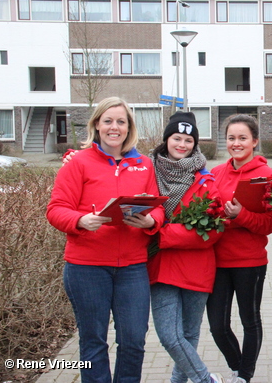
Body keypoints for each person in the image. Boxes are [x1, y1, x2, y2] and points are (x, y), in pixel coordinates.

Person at [46, 97, 165, 383]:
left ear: (129, 127)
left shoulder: (144, 164)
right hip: (87, 267)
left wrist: (151, 221)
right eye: (108, 121)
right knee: (93, 342)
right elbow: (56, 209)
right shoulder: (79, 163)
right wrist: (79, 221)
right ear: (97, 125)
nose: (115, 127)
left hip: (133, 267)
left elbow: (158, 207)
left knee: (134, 341)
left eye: (121, 122)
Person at [147, 111, 226, 383]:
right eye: (176, 138)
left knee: (189, 335)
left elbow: (213, 230)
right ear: (166, 139)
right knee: (170, 336)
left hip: (196, 268)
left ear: (195, 144)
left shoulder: (206, 179)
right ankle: (206, 380)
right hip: (161, 268)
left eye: (188, 140)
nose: (182, 144)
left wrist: (163, 235)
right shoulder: (147, 172)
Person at [207, 114, 272, 383]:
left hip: (249, 262)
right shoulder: (215, 173)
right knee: (217, 326)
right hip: (216, 261)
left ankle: (244, 376)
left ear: (254, 141)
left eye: (242, 138)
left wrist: (241, 217)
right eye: (231, 138)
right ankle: (238, 366)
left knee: (250, 321)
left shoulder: (267, 176)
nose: (236, 143)